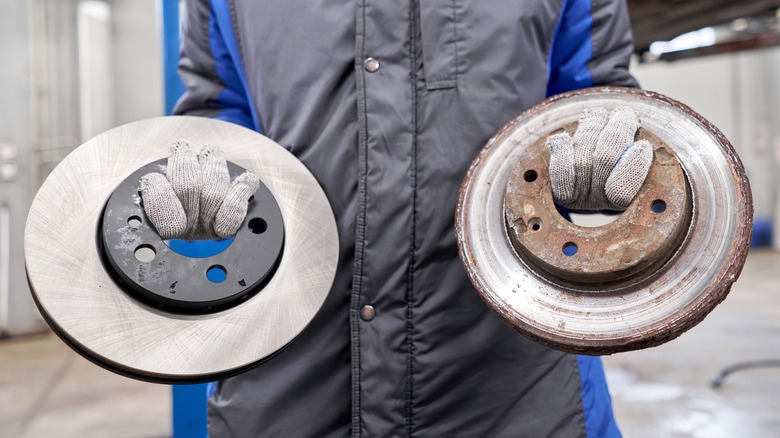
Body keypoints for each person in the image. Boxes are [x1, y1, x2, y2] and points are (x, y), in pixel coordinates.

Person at [159, 0, 642, 436]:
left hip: (514, 386)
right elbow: (218, 113)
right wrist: (210, 185)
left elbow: (601, 103)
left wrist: (604, 162)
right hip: (290, 382)